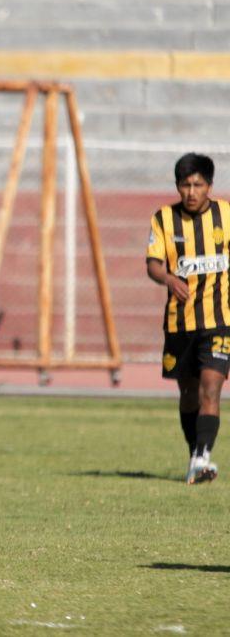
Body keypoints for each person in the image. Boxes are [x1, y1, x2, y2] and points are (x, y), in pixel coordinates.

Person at [147, 152, 226, 484]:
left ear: (209, 186)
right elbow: (152, 264)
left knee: (211, 388)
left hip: (220, 321)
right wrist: (168, 278)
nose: (191, 192)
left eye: (198, 185)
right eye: (185, 185)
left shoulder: (226, 216)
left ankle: (203, 456)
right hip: (180, 324)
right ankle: (196, 456)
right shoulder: (163, 220)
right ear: (178, 186)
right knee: (189, 393)